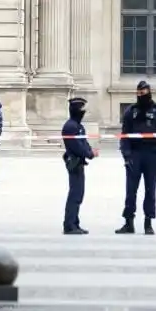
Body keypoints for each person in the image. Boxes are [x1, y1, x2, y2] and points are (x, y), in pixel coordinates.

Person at [116, 81, 156, 235]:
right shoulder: (130, 112)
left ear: (149, 92)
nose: (141, 96)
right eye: (139, 94)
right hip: (134, 154)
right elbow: (124, 136)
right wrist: (126, 155)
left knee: (150, 191)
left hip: (152, 154)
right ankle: (128, 223)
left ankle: (148, 222)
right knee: (130, 191)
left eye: (144, 93)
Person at [62, 97, 97, 235]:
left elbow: (84, 142)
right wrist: (90, 153)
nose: (83, 112)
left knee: (78, 194)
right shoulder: (71, 126)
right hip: (74, 162)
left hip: (79, 162)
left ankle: (75, 223)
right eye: (81, 109)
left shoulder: (77, 126)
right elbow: (77, 146)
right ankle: (70, 225)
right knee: (75, 194)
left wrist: (90, 151)